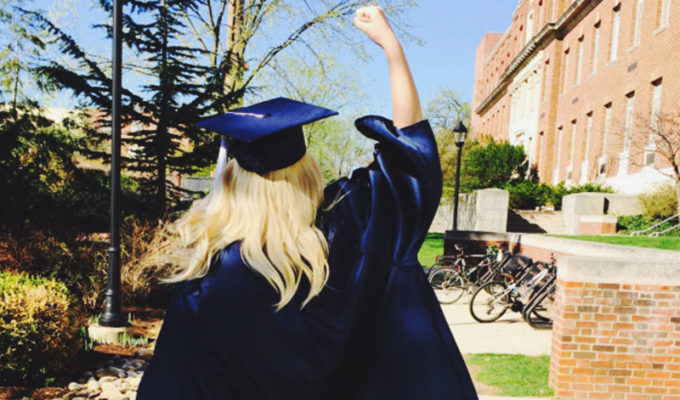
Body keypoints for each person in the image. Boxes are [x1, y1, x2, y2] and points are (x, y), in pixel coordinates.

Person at [137, 6, 478, 399]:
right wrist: (391, 48)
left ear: (231, 180)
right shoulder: (351, 229)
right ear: (308, 171)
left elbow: (172, 384)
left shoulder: (206, 276)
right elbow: (410, 163)